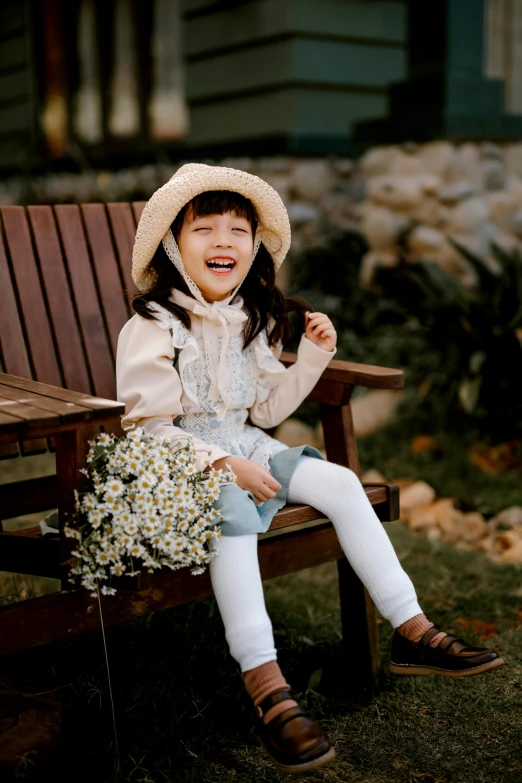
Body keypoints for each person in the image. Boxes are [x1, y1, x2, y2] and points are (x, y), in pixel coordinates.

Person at [116, 164, 504, 775]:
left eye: (239, 230)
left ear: (253, 247)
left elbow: (266, 408)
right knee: (233, 509)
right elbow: (146, 427)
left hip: (241, 443)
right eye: (205, 229)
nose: (224, 241)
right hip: (174, 461)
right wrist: (221, 464)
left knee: (341, 481)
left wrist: (315, 356)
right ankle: (267, 688)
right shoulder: (153, 327)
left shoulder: (247, 317)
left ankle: (412, 628)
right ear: (172, 244)